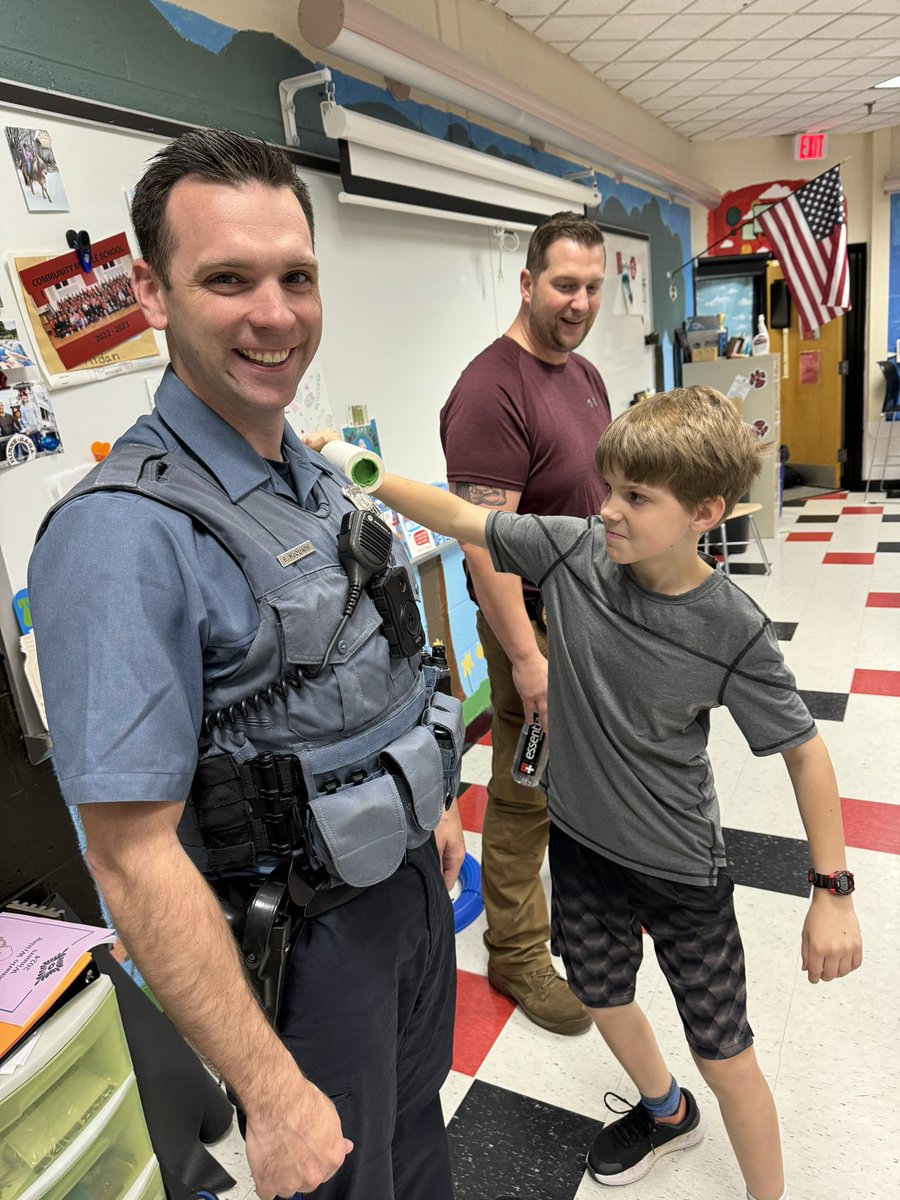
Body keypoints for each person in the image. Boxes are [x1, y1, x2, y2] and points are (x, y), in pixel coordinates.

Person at [28, 129, 464, 1200]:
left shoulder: (312, 474)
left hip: (405, 887)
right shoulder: (120, 536)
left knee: (416, 1149)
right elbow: (128, 856)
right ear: (153, 290)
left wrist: (429, 807)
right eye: (228, 279)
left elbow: (372, 659)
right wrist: (269, 1094)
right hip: (305, 948)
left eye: (296, 277)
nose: (275, 314)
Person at [327, 386, 863, 1200]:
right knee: (602, 997)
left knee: (727, 1054)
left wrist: (831, 891)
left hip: (682, 870)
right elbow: (463, 518)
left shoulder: (732, 629)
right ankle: (665, 1110)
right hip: (579, 847)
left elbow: (805, 752)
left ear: (704, 511)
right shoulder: (573, 551)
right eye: (608, 488)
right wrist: (353, 466)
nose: (608, 510)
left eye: (636, 498)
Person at [439, 211, 610, 1035]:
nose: (579, 302)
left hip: (589, 618)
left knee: (586, 778)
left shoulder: (580, 374)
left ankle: (573, 916)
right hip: (532, 630)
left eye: (592, 287)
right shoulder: (490, 390)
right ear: (527, 281)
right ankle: (516, 949)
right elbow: (483, 547)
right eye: (564, 284)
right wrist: (527, 659)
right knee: (526, 788)